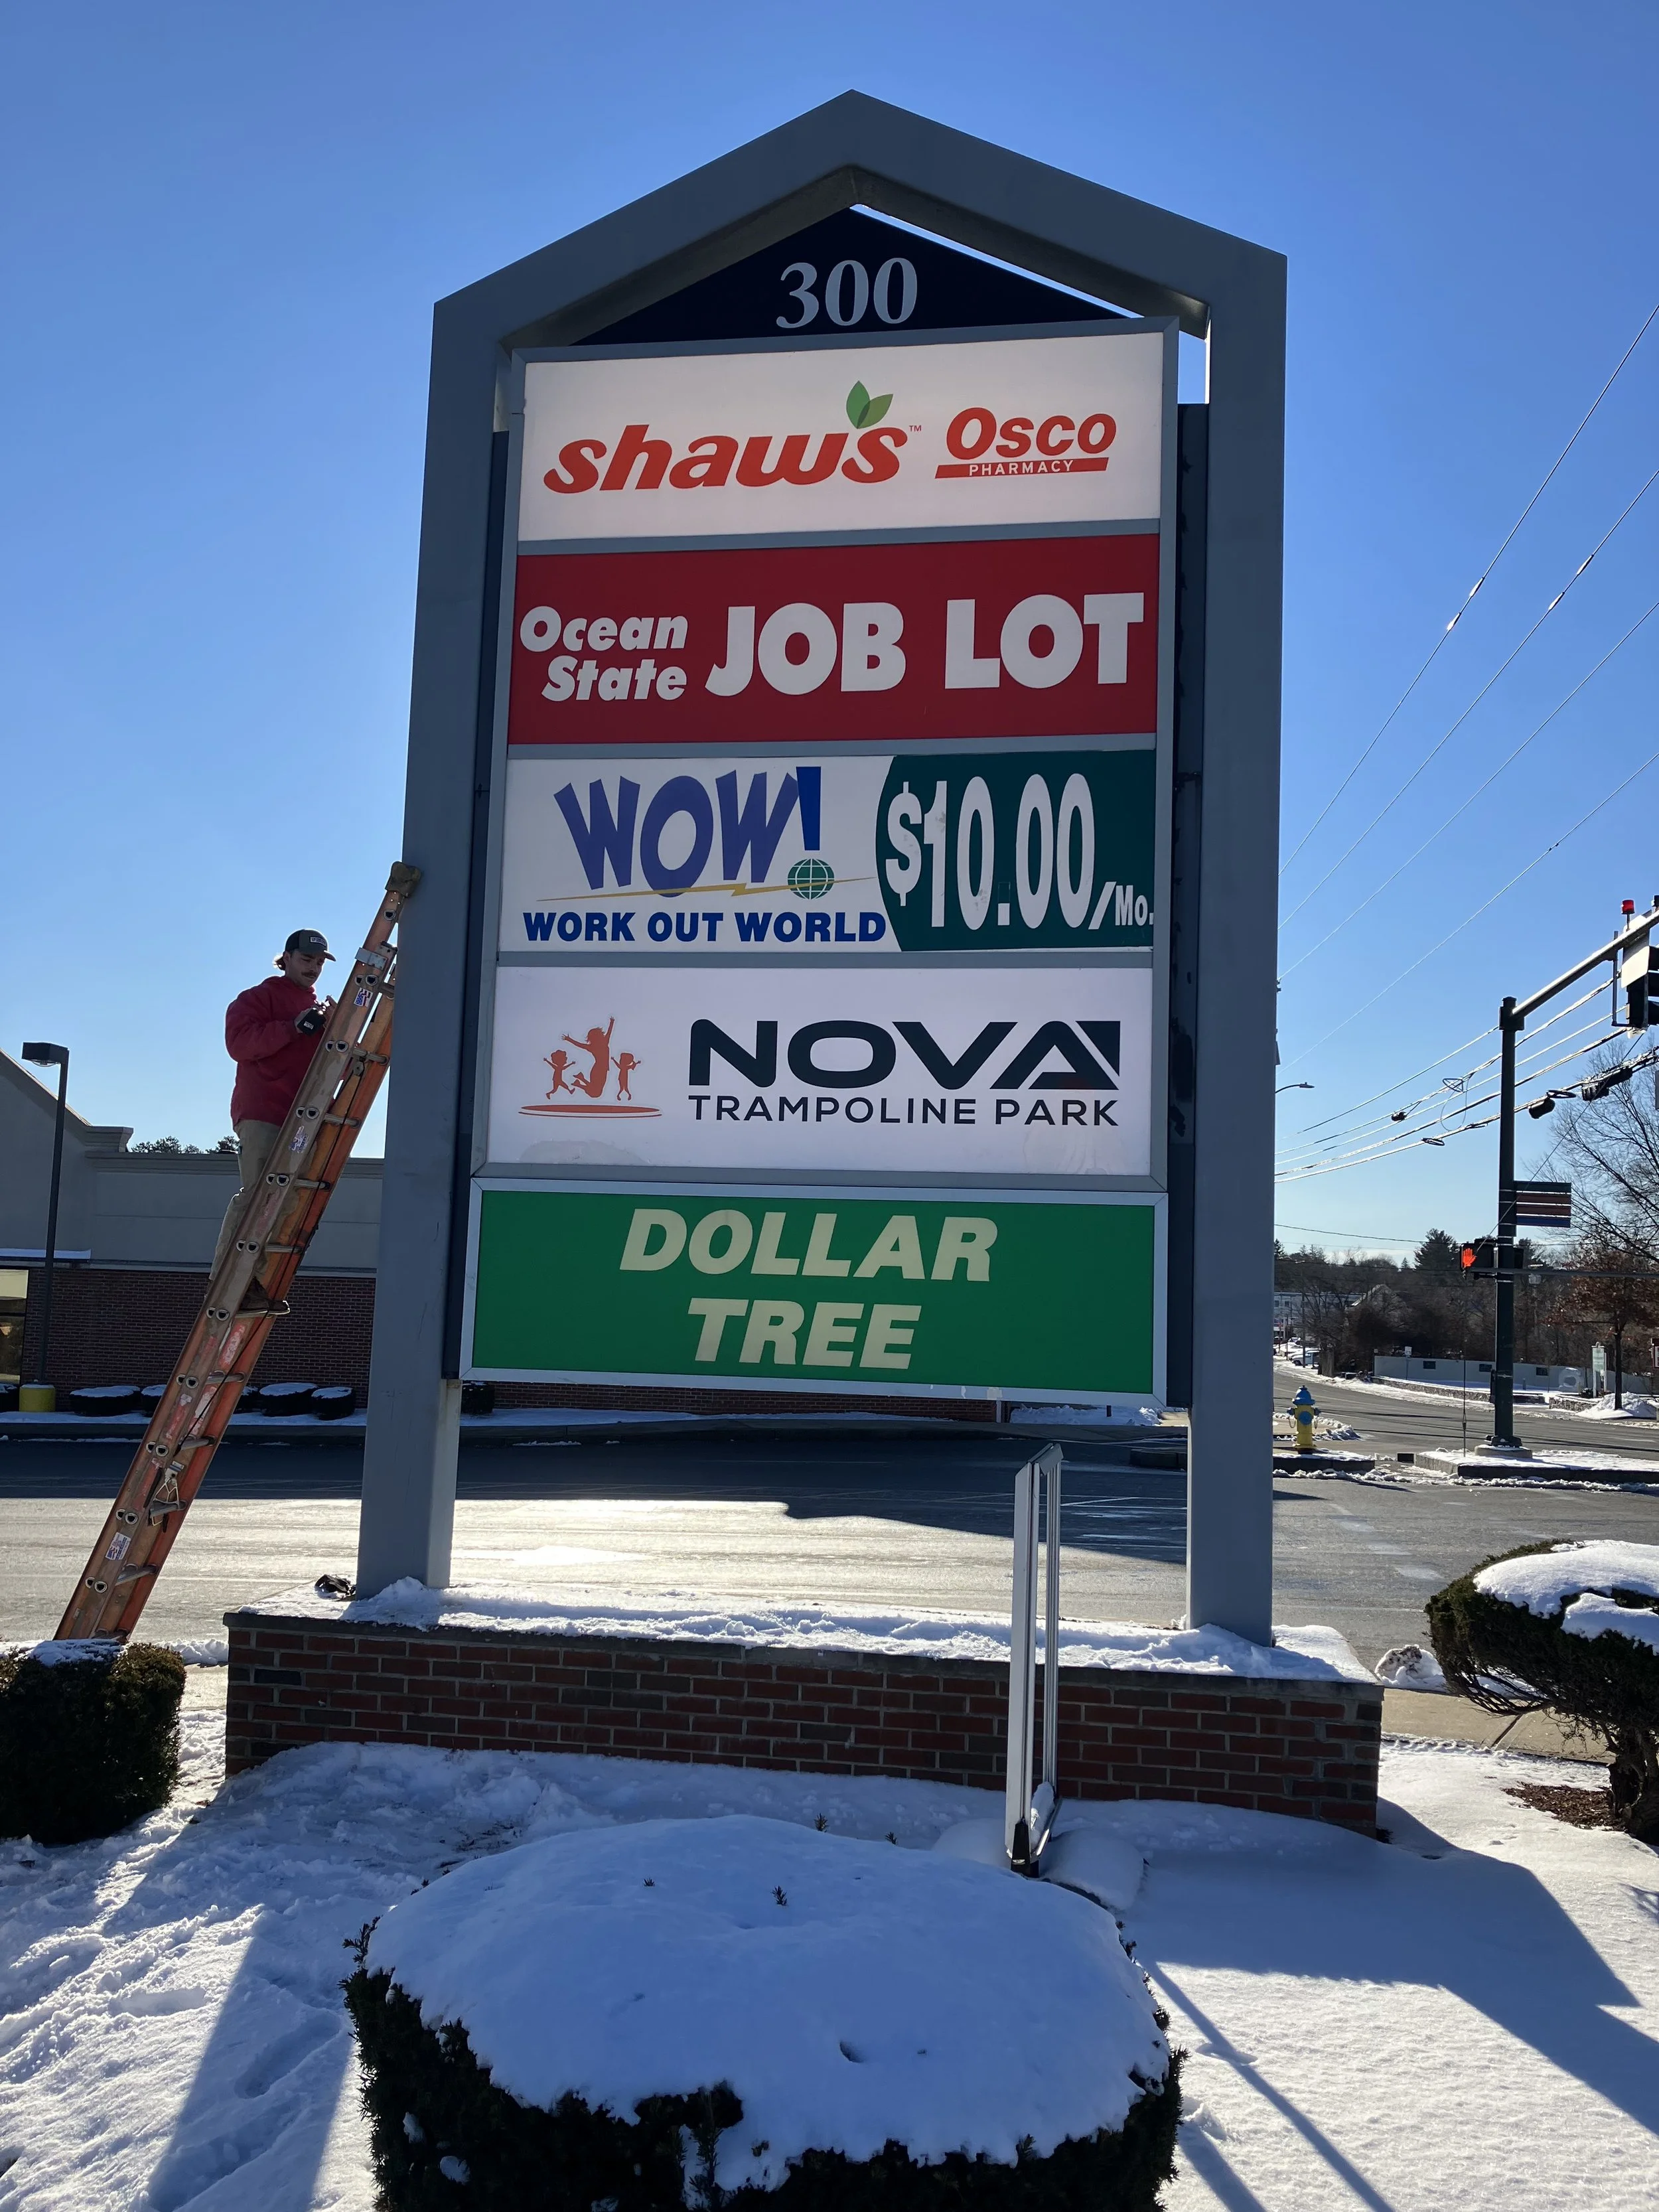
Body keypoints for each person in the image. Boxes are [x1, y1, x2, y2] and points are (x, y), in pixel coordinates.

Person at [211, 929, 336, 1273]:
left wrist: (339, 1036)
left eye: (320, 962)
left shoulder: (318, 1009)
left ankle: (260, 1281)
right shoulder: (257, 998)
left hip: (303, 1116)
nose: (314, 967)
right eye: (306, 959)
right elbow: (240, 1045)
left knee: (291, 1199)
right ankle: (229, 1278)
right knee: (258, 1195)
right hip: (264, 1112)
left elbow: (330, 1069)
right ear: (287, 959)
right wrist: (292, 1027)